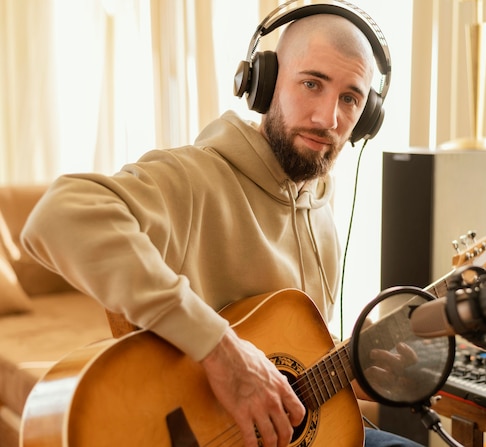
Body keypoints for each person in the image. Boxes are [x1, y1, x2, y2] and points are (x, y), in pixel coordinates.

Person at [21, 2, 424, 447]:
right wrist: (221, 350)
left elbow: (293, 359)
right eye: (311, 83)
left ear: (367, 116)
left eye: (350, 98)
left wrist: (359, 372)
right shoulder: (194, 178)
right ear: (263, 84)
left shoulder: (320, 211)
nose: (328, 120)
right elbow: (58, 216)